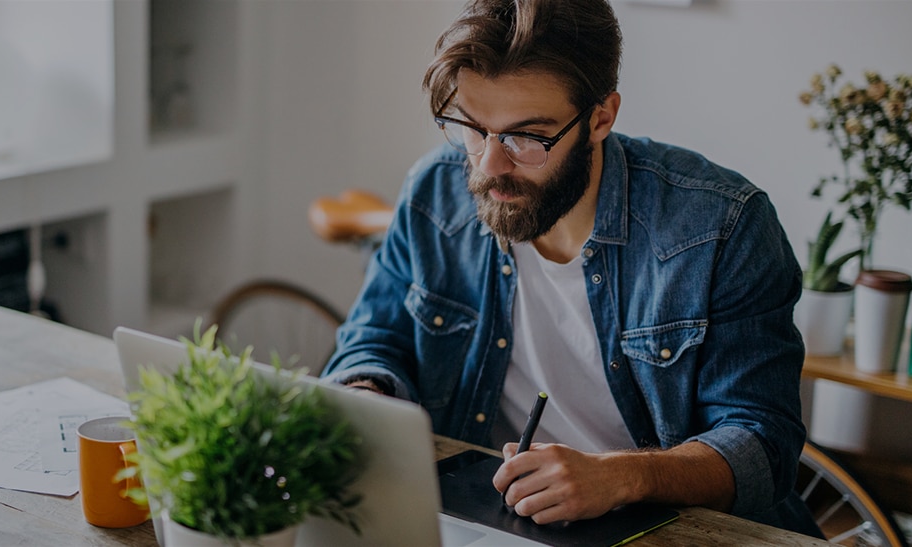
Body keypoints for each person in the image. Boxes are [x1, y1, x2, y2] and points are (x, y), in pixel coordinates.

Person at [320, 0, 821, 537]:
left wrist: (623, 477)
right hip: (490, 519)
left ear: (601, 117)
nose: (490, 165)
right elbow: (374, 338)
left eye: (527, 137)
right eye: (470, 126)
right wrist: (365, 397)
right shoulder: (434, 192)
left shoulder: (720, 226)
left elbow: (763, 446)